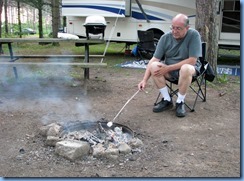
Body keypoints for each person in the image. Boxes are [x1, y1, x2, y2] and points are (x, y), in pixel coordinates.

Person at [137, 13, 202, 117]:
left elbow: (192, 61)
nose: (174, 31)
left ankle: (180, 102)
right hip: (170, 72)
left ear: (187, 28)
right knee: (154, 66)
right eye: (173, 27)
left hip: (189, 71)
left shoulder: (194, 35)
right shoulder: (165, 38)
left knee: (185, 68)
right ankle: (167, 100)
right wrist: (144, 80)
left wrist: (168, 68)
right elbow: (154, 59)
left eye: (178, 29)